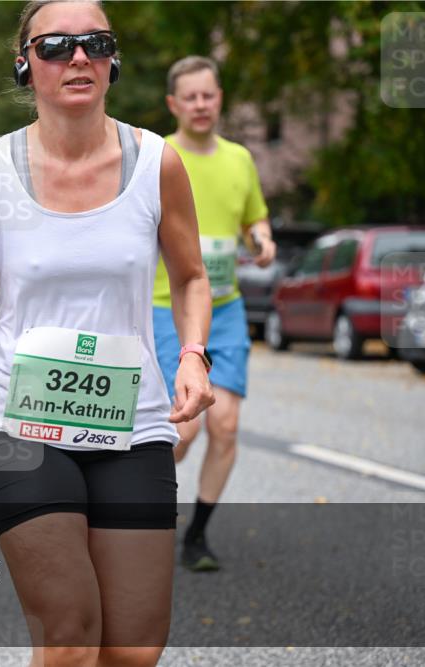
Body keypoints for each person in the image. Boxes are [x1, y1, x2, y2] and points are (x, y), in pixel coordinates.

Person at [0, 2, 214, 664]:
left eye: (95, 43)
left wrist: (194, 354)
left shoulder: (157, 163)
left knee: (133, 650)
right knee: (71, 635)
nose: (78, 57)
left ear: (112, 59)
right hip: (16, 424)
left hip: (132, 422)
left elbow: (192, 277)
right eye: (55, 45)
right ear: (25, 63)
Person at [153, 55, 276, 572]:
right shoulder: (157, 156)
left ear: (219, 99)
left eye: (208, 95)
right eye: (191, 97)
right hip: (167, 308)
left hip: (225, 309)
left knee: (224, 425)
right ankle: (143, 513)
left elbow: (254, 218)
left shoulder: (240, 159)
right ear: (173, 104)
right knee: (182, 432)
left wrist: (263, 240)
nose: (201, 104)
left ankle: (197, 536)